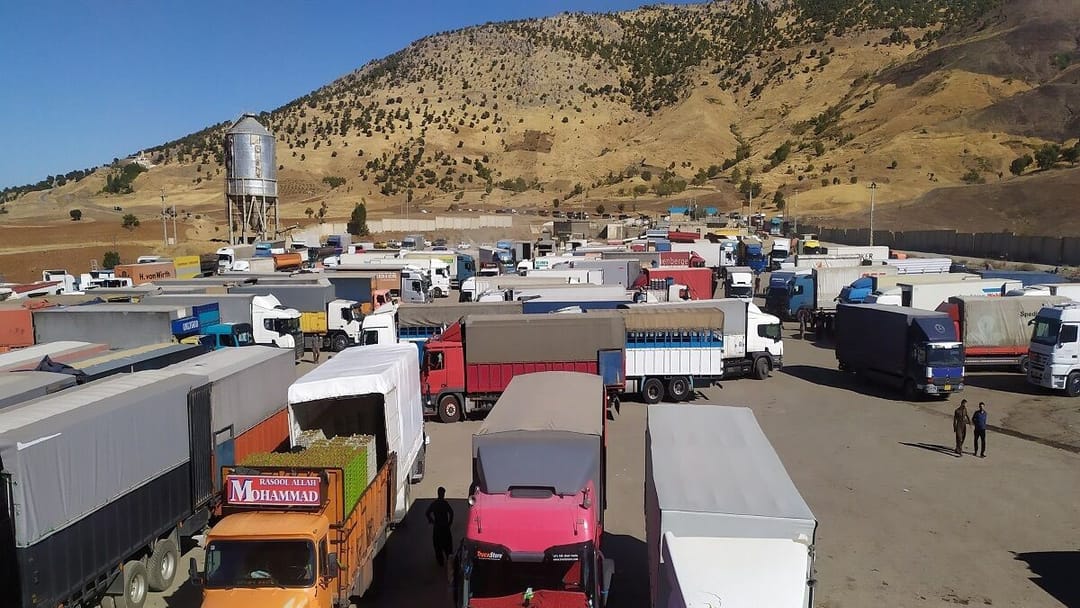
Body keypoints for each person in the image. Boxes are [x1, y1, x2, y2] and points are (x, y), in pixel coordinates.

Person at [426, 486, 454, 567]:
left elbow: (427, 513)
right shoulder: (445, 503)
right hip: (445, 527)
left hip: (437, 527)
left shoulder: (434, 503)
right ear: (443, 494)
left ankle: (440, 561)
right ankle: (449, 561)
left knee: (438, 546)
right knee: (448, 546)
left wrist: (432, 521)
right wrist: (450, 523)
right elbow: (451, 512)